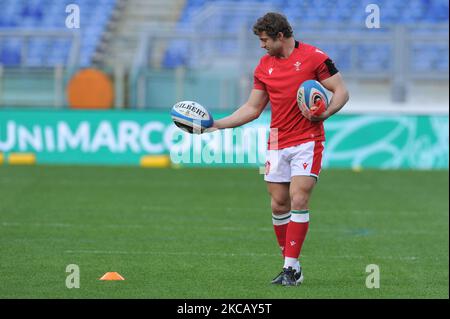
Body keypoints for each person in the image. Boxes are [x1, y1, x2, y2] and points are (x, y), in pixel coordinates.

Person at [210, 12, 349, 286]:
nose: (262, 46)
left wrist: (325, 114)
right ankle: (291, 265)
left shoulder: (314, 57)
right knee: (278, 203)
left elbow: (341, 92)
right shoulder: (263, 66)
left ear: (280, 36)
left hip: (308, 139)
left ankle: (290, 268)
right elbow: (252, 108)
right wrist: (218, 125)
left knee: (299, 199)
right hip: (276, 140)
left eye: (264, 40)